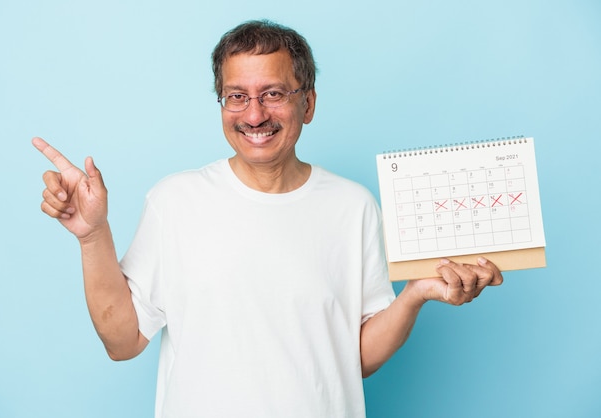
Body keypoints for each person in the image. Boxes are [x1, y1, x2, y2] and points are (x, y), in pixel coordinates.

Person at [33, 19, 503, 418]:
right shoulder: (175, 200)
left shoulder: (353, 205)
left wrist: (416, 294)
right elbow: (123, 341)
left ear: (309, 103)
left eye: (273, 93)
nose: (254, 114)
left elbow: (353, 356)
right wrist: (93, 236)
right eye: (236, 96)